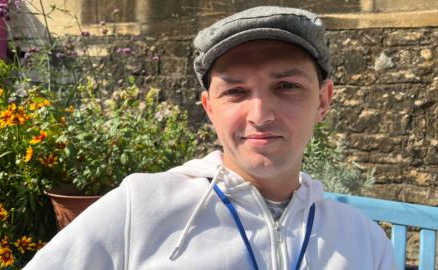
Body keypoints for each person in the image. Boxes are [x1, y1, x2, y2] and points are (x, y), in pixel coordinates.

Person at [24, 6, 397, 270]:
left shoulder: (364, 242)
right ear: (209, 108)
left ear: (323, 100)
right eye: (235, 92)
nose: (260, 114)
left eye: (286, 85)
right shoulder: (139, 210)